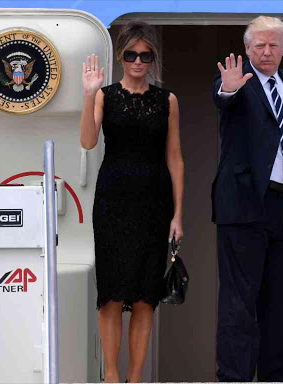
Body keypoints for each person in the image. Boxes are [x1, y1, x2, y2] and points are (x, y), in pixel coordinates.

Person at [212, 15, 283, 382]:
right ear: (247, 49)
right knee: (238, 307)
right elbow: (223, 100)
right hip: (244, 207)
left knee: (278, 308)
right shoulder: (238, 81)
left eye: (273, 44)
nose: (266, 51)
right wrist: (227, 89)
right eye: (259, 45)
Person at [80, 21, 184, 383]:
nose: (138, 61)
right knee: (110, 294)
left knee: (144, 297)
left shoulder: (167, 100)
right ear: (121, 57)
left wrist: (178, 215)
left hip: (155, 206)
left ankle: (136, 377)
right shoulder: (105, 96)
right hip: (112, 204)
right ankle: (111, 376)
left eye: (146, 54)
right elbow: (89, 141)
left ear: (153, 58)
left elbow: (175, 159)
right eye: (131, 54)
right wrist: (88, 94)